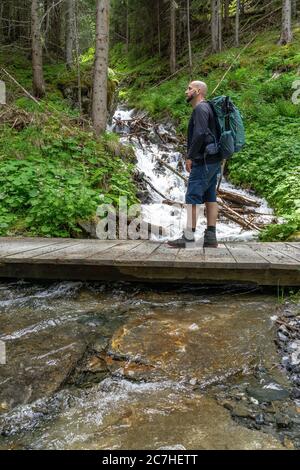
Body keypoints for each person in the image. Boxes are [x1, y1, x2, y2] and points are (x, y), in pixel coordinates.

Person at [168, 80, 222, 248]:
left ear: (198, 91)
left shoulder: (200, 108)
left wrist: (190, 156)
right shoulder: (208, 107)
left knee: (192, 196)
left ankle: (189, 237)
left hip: (203, 160)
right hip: (213, 159)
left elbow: (199, 134)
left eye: (189, 88)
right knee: (210, 196)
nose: (186, 91)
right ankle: (211, 237)